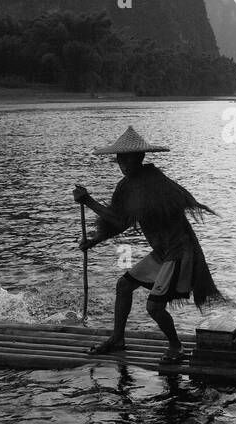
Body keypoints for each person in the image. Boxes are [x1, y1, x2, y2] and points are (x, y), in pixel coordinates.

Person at [72, 126, 223, 361]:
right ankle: (118, 339)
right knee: (124, 286)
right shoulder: (127, 185)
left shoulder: (153, 183)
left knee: (154, 307)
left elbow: (120, 218)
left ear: (139, 158)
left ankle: (176, 347)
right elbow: (119, 223)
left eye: (126, 158)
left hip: (178, 253)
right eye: (119, 159)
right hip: (163, 252)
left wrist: (89, 200)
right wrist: (93, 241)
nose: (121, 163)